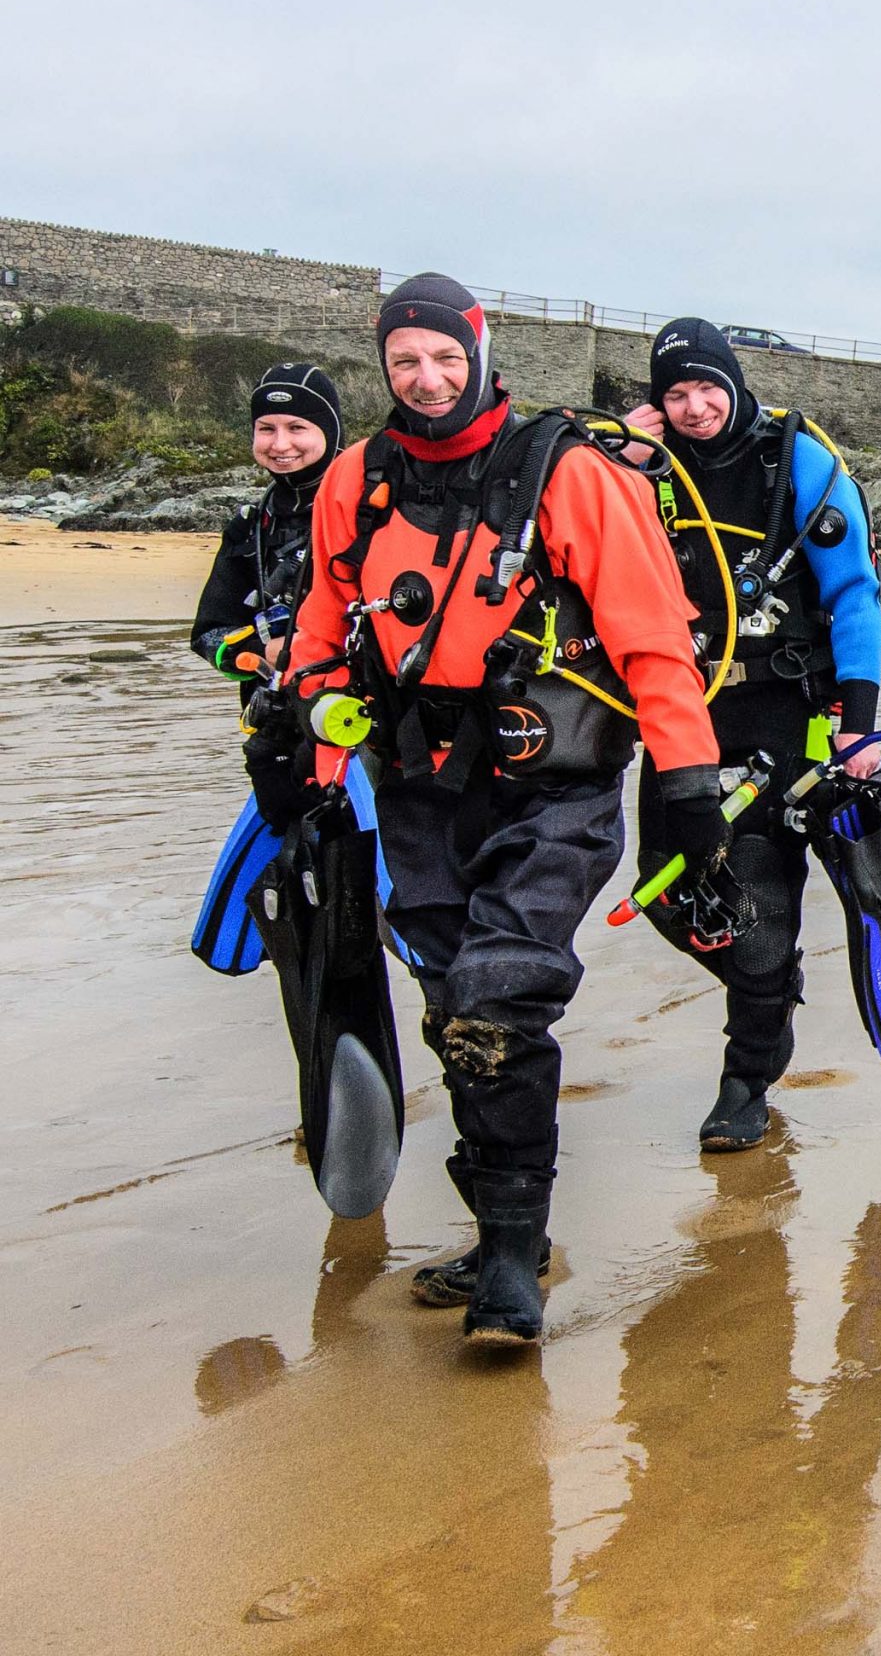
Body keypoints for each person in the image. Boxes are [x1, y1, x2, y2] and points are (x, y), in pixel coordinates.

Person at [284, 275, 725, 1348]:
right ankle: (497, 1227)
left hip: (554, 788)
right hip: (419, 788)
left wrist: (690, 788)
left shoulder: (569, 473)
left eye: (443, 357)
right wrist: (314, 719)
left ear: (479, 352)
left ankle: (516, 1262)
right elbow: (320, 621)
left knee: (495, 998)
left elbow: (654, 639)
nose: (426, 381)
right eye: (404, 364)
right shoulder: (357, 480)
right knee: (452, 1012)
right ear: (384, 369)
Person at [619, 318, 881, 1149]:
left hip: (786, 716)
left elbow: (853, 594)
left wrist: (857, 729)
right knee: (665, 891)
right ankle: (771, 981)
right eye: (676, 393)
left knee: (762, 902)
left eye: (709, 388)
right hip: (682, 711)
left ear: (736, 384)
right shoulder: (643, 469)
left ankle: (746, 1080)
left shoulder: (797, 461)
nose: (696, 407)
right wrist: (617, 465)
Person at [193, 362, 345, 830]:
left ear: (330, 430)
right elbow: (206, 635)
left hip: (357, 730)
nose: (281, 445)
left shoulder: (369, 513)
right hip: (278, 731)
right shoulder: (249, 526)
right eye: (267, 429)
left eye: (298, 427)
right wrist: (263, 653)